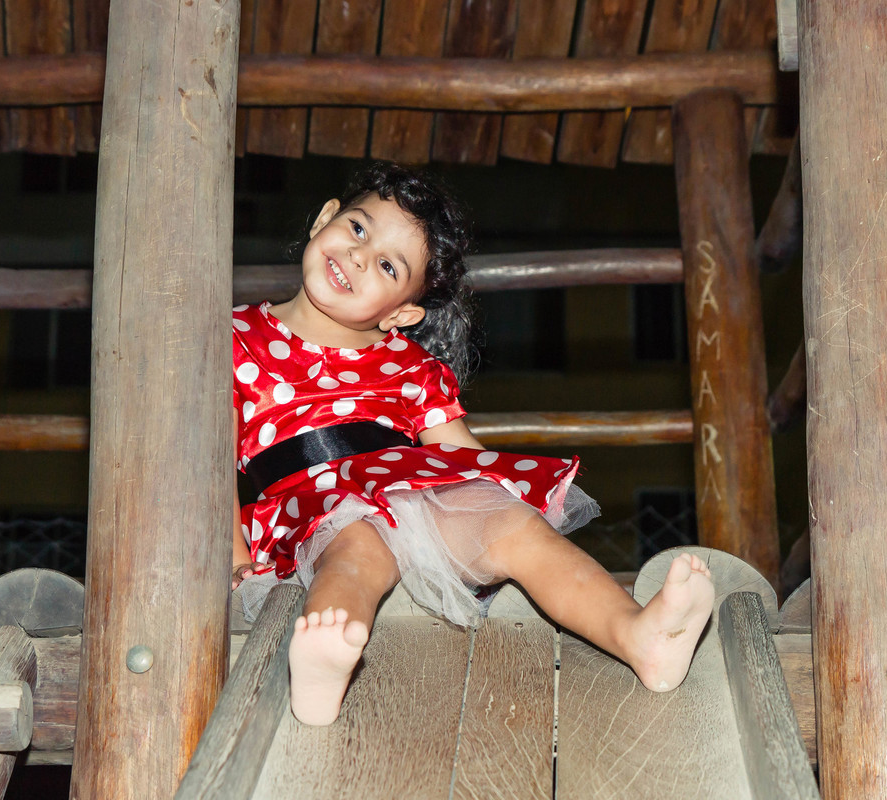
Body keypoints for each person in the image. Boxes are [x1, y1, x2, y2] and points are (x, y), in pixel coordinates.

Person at [231, 162, 714, 726]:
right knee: (356, 542)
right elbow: (208, 469)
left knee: (511, 523)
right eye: (359, 230)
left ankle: (638, 636)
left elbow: (460, 458)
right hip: (308, 510)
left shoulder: (409, 366)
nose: (360, 256)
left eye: (388, 266)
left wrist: (497, 508)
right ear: (325, 218)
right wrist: (237, 563)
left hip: (409, 493)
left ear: (401, 313)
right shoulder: (234, 338)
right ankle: (324, 664)